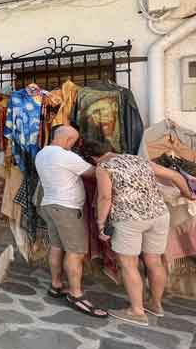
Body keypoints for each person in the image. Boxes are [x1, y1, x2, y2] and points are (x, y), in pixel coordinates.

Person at [83, 139, 194, 326]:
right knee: (154, 261)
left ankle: (136, 311)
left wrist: (101, 223)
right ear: (110, 148)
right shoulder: (138, 159)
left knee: (128, 264)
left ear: (92, 158)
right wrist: (187, 193)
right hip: (159, 215)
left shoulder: (104, 167)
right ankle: (155, 305)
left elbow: (105, 197)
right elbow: (175, 176)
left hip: (129, 219)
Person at [35, 125, 108, 318]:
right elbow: (96, 173)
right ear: (68, 140)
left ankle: (56, 285)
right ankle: (76, 295)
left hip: (49, 205)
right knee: (76, 253)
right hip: (66, 209)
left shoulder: (42, 153)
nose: (73, 146)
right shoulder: (65, 156)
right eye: (73, 142)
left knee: (57, 247)